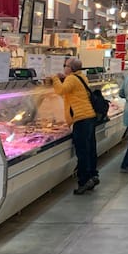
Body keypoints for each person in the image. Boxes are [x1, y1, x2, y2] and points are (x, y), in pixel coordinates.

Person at [52, 57, 99, 194]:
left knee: (82, 151)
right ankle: (93, 175)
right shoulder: (81, 77)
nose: (64, 68)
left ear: (71, 68)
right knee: (90, 149)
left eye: (65, 65)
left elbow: (60, 91)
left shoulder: (71, 79)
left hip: (80, 119)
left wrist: (55, 78)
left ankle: (84, 181)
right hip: (89, 116)